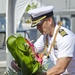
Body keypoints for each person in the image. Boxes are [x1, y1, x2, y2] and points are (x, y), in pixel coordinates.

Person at [11, 6, 75, 75]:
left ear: (49, 21)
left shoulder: (65, 38)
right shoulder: (45, 37)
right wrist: (17, 61)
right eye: (36, 25)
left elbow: (60, 68)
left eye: (39, 24)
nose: (37, 28)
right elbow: (31, 51)